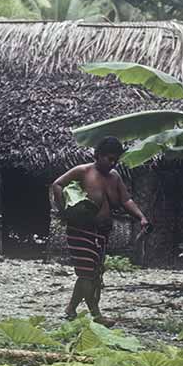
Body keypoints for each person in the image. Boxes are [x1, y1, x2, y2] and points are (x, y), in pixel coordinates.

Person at [51, 137, 149, 326]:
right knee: (87, 273)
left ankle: (70, 309)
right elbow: (57, 184)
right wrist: (63, 210)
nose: (112, 163)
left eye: (116, 160)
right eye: (109, 159)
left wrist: (141, 217)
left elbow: (126, 200)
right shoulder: (83, 171)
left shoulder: (115, 177)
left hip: (102, 232)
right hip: (80, 229)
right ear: (98, 155)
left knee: (93, 274)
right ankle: (97, 315)